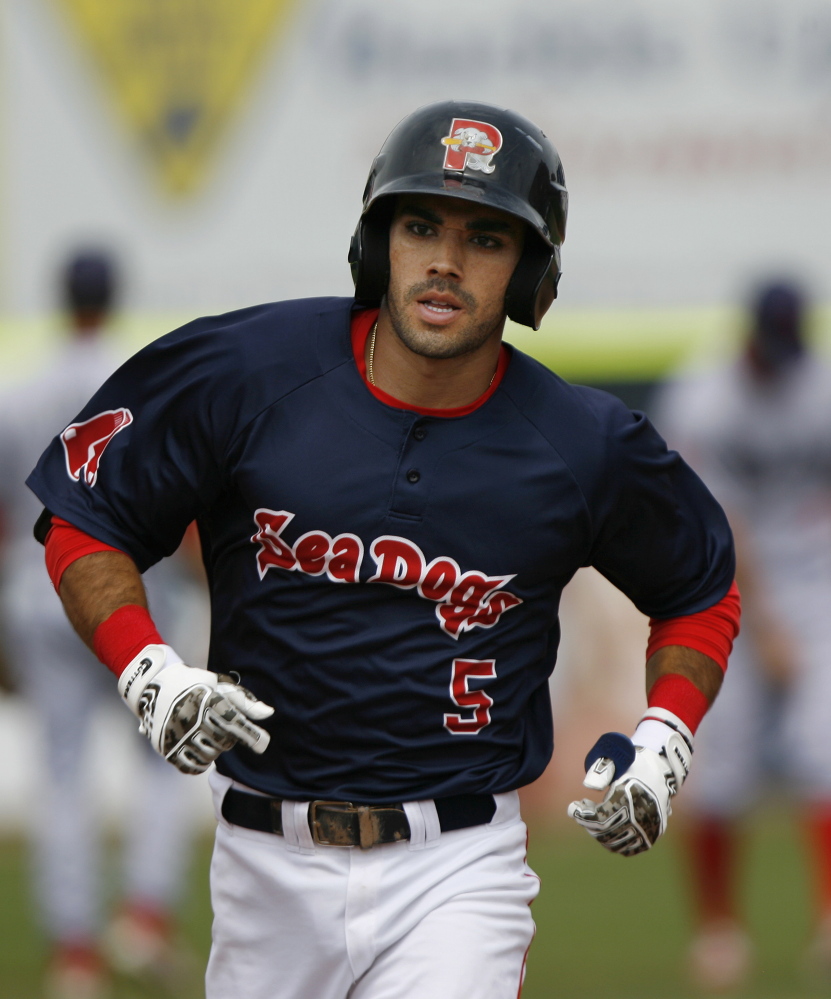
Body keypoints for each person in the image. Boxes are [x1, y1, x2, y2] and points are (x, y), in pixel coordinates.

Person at [25, 101, 740, 999]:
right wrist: (147, 669)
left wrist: (666, 732)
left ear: (530, 274)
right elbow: (85, 512)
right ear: (376, 244)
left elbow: (699, 585)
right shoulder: (246, 371)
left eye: (486, 237)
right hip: (261, 864)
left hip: (457, 866)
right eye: (418, 225)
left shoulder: (580, 441)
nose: (444, 259)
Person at [0, 250, 203, 999]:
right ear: (113, 296)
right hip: (133, 595)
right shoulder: (145, 378)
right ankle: (144, 915)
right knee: (161, 757)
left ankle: (76, 954)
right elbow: (183, 504)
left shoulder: (18, 387)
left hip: (38, 588)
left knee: (60, 774)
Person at [654, 279, 831, 990]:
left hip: (818, 587)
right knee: (720, 763)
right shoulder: (704, 398)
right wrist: (767, 625)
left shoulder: (817, 387)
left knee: (823, 752)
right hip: (725, 589)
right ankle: (717, 929)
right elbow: (716, 523)